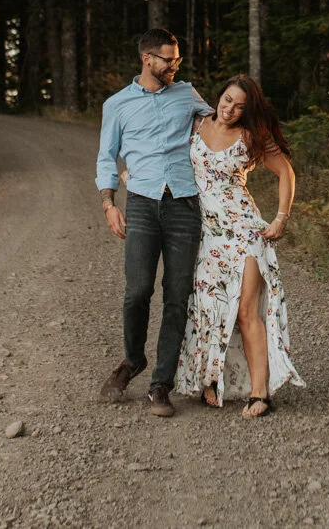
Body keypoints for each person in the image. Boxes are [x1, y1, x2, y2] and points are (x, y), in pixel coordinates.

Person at [95, 27, 213, 417]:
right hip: (143, 203)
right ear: (147, 59)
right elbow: (105, 156)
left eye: (178, 59)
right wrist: (110, 204)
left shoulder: (188, 94)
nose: (175, 66)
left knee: (178, 295)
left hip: (184, 205)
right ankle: (133, 360)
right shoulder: (117, 104)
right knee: (137, 291)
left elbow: (218, 128)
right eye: (168, 60)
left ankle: (161, 384)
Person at [175, 74, 303, 419]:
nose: (230, 109)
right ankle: (212, 381)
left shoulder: (251, 135)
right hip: (205, 235)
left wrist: (280, 218)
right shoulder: (195, 123)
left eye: (240, 106)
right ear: (219, 96)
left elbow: (286, 173)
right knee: (208, 309)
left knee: (247, 311)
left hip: (244, 232)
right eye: (227, 100)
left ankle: (259, 394)